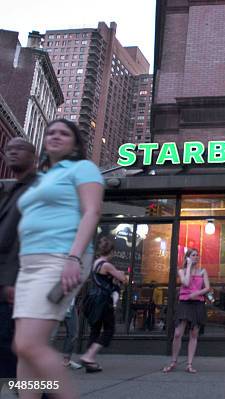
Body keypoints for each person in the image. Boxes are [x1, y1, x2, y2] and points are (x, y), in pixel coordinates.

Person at [12, 118, 104, 399]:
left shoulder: (83, 169)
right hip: (29, 266)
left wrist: (73, 258)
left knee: (29, 345)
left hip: (60, 260)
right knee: (24, 350)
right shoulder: (42, 177)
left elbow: (92, 212)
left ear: (75, 143)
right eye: (51, 132)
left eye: (64, 133)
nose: (55, 136)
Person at [0, 138, 37, 384]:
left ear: (34, 156)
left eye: (19, 149)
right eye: (8, 149)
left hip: (16, 287)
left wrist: (15, 279)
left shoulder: (38, 188)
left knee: (12, 353)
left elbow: (32, 237)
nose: (12, 153)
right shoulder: (11, 190)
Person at [80, 237, 126, 372]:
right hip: (104, 300)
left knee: (95, 330)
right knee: (109, 329)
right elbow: (123, 279)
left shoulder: (95, 263)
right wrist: (120, 274)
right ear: (111, 251)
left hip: (94, 299)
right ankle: (89, 356)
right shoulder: (106, 265)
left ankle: (89, 363)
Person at [163, 248, 210, 374]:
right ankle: (173, 361)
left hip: (197, 303)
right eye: (193, 255)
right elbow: (186, 282)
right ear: (188, 257)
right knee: (178, 333)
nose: (196, 257)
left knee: (194, 334)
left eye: (197, 255)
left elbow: (207, 288)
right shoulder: (182, 271)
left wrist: (197, 293)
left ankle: (189, 364)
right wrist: (188, 266)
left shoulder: (202, 271)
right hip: (184, 303)